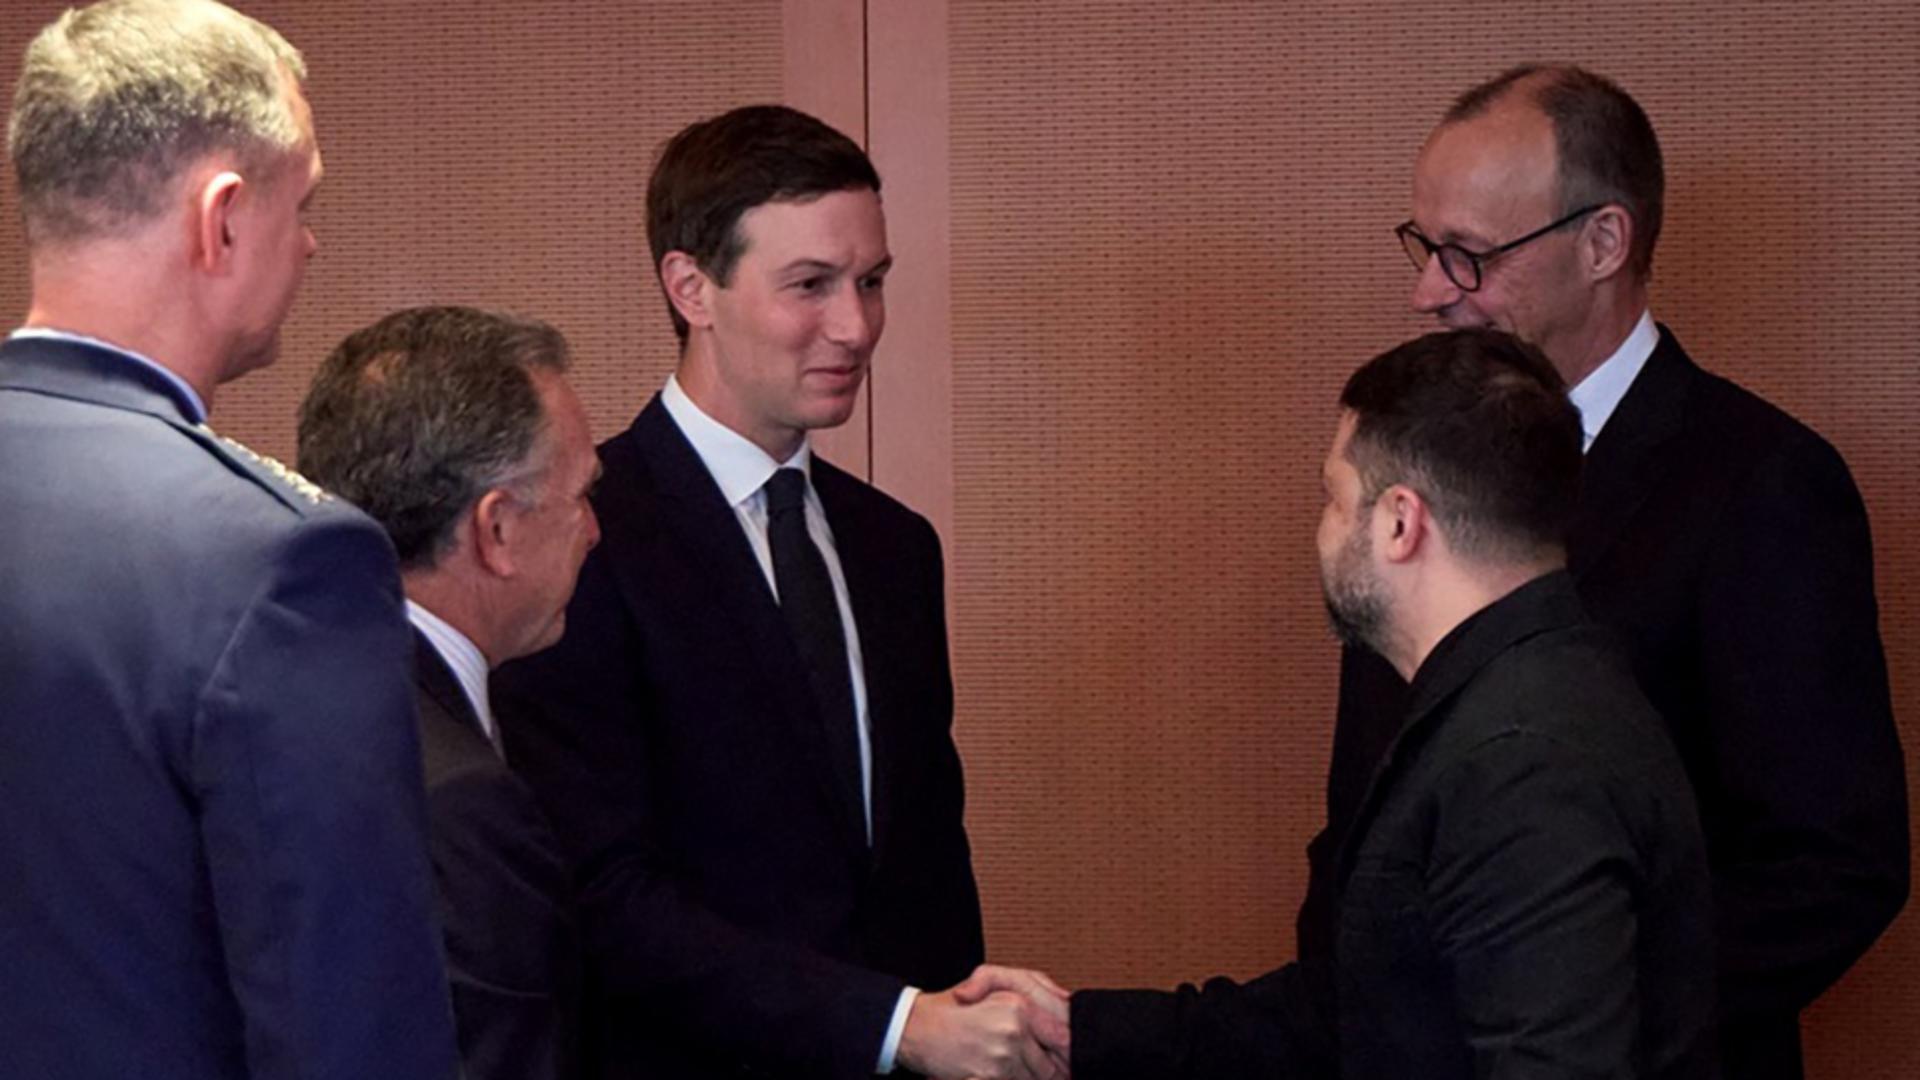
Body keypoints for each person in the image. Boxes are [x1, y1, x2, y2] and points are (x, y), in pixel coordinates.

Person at [1348, 64, 1904, 1078]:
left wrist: (1564, 1003)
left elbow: (1832, 866)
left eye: (1469, 256)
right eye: (1426, 249)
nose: (1428, 292)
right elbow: (1361, 822)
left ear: (1604, 243)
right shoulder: (1406, 473)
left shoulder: (1764, 483)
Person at [492, 104, 1065, 1080]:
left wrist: (951, 1030)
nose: (856, 326)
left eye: (872, 282)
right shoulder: (587, 537)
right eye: (811, 284)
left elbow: (927, 867)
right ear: (691, 286)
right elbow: (604, 896)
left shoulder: (896, 548)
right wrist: (894, 1025)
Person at [1060, 329, 1717, 1078]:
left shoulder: (1524, 760)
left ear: (1401, 522)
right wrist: (1073, 1033)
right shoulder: (1509, 701)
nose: (1322, 530)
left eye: (1334, 499)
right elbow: (1363, 1010)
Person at [0, 4, 457, 1080]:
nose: (311, 243)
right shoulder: (281, 562)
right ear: (223, 218)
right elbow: (352, 1028)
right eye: (304, 204)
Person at [298, 306, 601, 1080]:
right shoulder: (463, 801)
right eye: (580, 498)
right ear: (495, 532)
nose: (595, 531)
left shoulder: (279, 689)